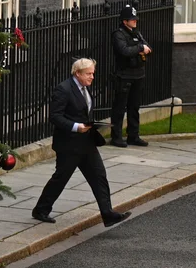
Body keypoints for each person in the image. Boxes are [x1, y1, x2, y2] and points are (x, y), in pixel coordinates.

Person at [32, 58, 131, 226]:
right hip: (69, 144)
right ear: (77, 73)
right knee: (61, 178)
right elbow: (55, 117)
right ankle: (41, 209)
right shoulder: (63, 89)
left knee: (99, 176)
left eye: (93, 73)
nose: (92, 77)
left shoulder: (85, 89)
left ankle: (107, 214)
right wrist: (76, 127)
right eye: (88, 74)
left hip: (87, 143)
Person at [110, 5, 152, 148]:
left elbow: (147, 47)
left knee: (134, 107)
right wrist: (139, 48)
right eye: (132, 19)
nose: (135, 22)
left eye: (135, 19)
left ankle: (133, 135)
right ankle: (116, 137)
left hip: (138, 74)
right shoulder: (118, 34)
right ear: (124, 21)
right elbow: (124, 51)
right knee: (120, 107)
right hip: (124, 75)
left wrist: (141, 48)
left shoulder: (136, 33)